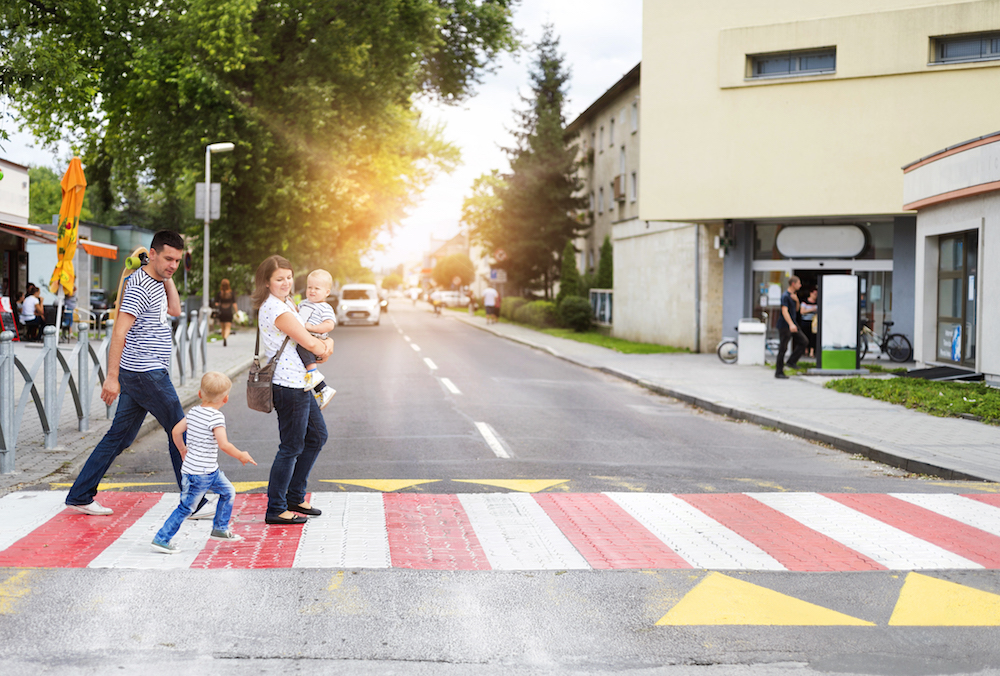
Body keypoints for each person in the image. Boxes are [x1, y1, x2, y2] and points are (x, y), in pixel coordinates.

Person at [64, 230, 214, 518]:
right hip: (146, 372)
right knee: (180, 429)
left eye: (177, 261)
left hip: (143, 373)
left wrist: (167, 275)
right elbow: (118, 332)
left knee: (120, 437)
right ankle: (193, 501)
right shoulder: (139, 287)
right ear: (153, 254)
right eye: (168, 258)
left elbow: (175, 309)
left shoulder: (157, 281)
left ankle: (81, 494)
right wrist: (111, 377)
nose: (173, 265)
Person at [253, 255, 334, 525]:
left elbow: (313, 340)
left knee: (317, 436)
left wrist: (324, 343)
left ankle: (295, 495)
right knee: (290, 446)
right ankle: (276, 508)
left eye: (289, 277)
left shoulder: (287, 302)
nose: (286, 282)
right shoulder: (277, 309)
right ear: (267, 282)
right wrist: (325, 346)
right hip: (287, 384)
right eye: (279, 278)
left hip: (300, 382)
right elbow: (309, 342)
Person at [151, 372, 257, 554]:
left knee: (228, 491)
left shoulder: (193, 412)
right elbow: (223, 444)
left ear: (200, 394)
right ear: (226, 398)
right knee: (186, 508)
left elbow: (176, 431)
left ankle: (220, 529)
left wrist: (182, 449)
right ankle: (162, 538)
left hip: (207, 471)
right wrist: (241, 455)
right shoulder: (216, 418)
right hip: (200, 475)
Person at [295, 269, 337, 410]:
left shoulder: (325, 307)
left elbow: (329, 324)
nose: (312, 291)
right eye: (309, 287)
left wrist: (313, 327)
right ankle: (322, 388)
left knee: (302, 347)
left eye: (317, 288)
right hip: (305, 336)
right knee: (300, 348)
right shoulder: (303, 303)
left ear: (327, 292)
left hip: (315, 337)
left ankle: (313, 373)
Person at [775, 275, 808, 379]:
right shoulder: (785, 296)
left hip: (793, 324)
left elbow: (797, 310)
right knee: (783, 348)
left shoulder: (793, 296)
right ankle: (779, 372)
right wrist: (790, 324)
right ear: (793, 284)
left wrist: (797, 300)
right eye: (799, 283)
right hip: (785, 325)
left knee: (804, 341)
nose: (800, 285)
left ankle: (791, 361)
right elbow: (784, 311)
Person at [214, 278, 236, 346]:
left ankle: (223, 337)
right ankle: (226, 337)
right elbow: (234, 303)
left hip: (221, 311)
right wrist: (237, 312)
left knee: (223, 327)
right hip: (229, 311)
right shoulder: (231, 293)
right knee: (228, 327)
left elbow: (216, 303)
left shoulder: (219, 293)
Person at [798, 288, 818, 358]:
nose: (816, 296)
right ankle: (806, 350)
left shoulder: (818, 302)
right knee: (805, 336)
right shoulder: (805, 302)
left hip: (814, 323)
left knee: (813, 337)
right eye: (815, 294)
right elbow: (802, 311)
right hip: (805, 322)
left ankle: (811, 352)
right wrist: (812, 309)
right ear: (811, 293)